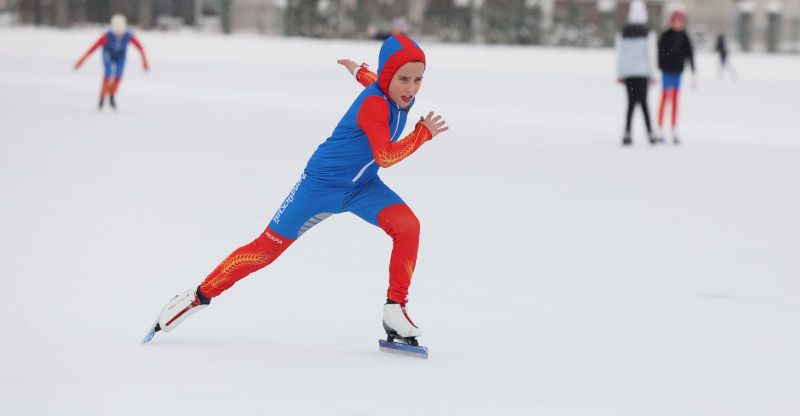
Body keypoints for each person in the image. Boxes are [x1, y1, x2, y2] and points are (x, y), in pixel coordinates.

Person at [147, 35, 448, 346]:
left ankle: (395, 309)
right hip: (320, 188)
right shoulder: (374, 104)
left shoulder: (393, 94)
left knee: (408, 227)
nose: (411, 88)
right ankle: (197, 297)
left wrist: (357, 70)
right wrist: (422, 134)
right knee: (264, 250)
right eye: (404, 79)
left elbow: (373, 80)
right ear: (389, 77)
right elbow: (385, 156)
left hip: (363, 187)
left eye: (418, 79)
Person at [74, 14, 149, 110]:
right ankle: (102, 96)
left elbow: (140, 48)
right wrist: (80, 61)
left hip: (120, 57)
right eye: (116, 32)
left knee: (119, 74)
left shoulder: (128, 35)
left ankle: (112, 94)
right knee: (108, 72)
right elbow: (92, 49)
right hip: (108, 55)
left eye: (121, 32)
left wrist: (144, 62)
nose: (119, 35)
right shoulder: (106, 36)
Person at [616, 0, 658, 146]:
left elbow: (620, 54)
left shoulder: (624, 32)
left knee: (630, 104)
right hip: (642, 73)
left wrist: (620, 73)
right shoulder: (647, 33)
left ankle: (627, 132)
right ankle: (650, 132)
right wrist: (652, 74)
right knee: (644, 103)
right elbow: (650, 55)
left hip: (629, 73)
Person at [657, 9, 695, 144]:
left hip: (678, 73)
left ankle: (673, 129)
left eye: (681, 22)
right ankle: (660, 129)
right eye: (677, 21)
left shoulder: (684, 36)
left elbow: (690, 54)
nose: (679, 24)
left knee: (675, 101)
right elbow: (660, 52)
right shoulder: (665, 35)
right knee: (664, 99)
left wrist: (693, 70)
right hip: (666, 72)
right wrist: (661, 66)